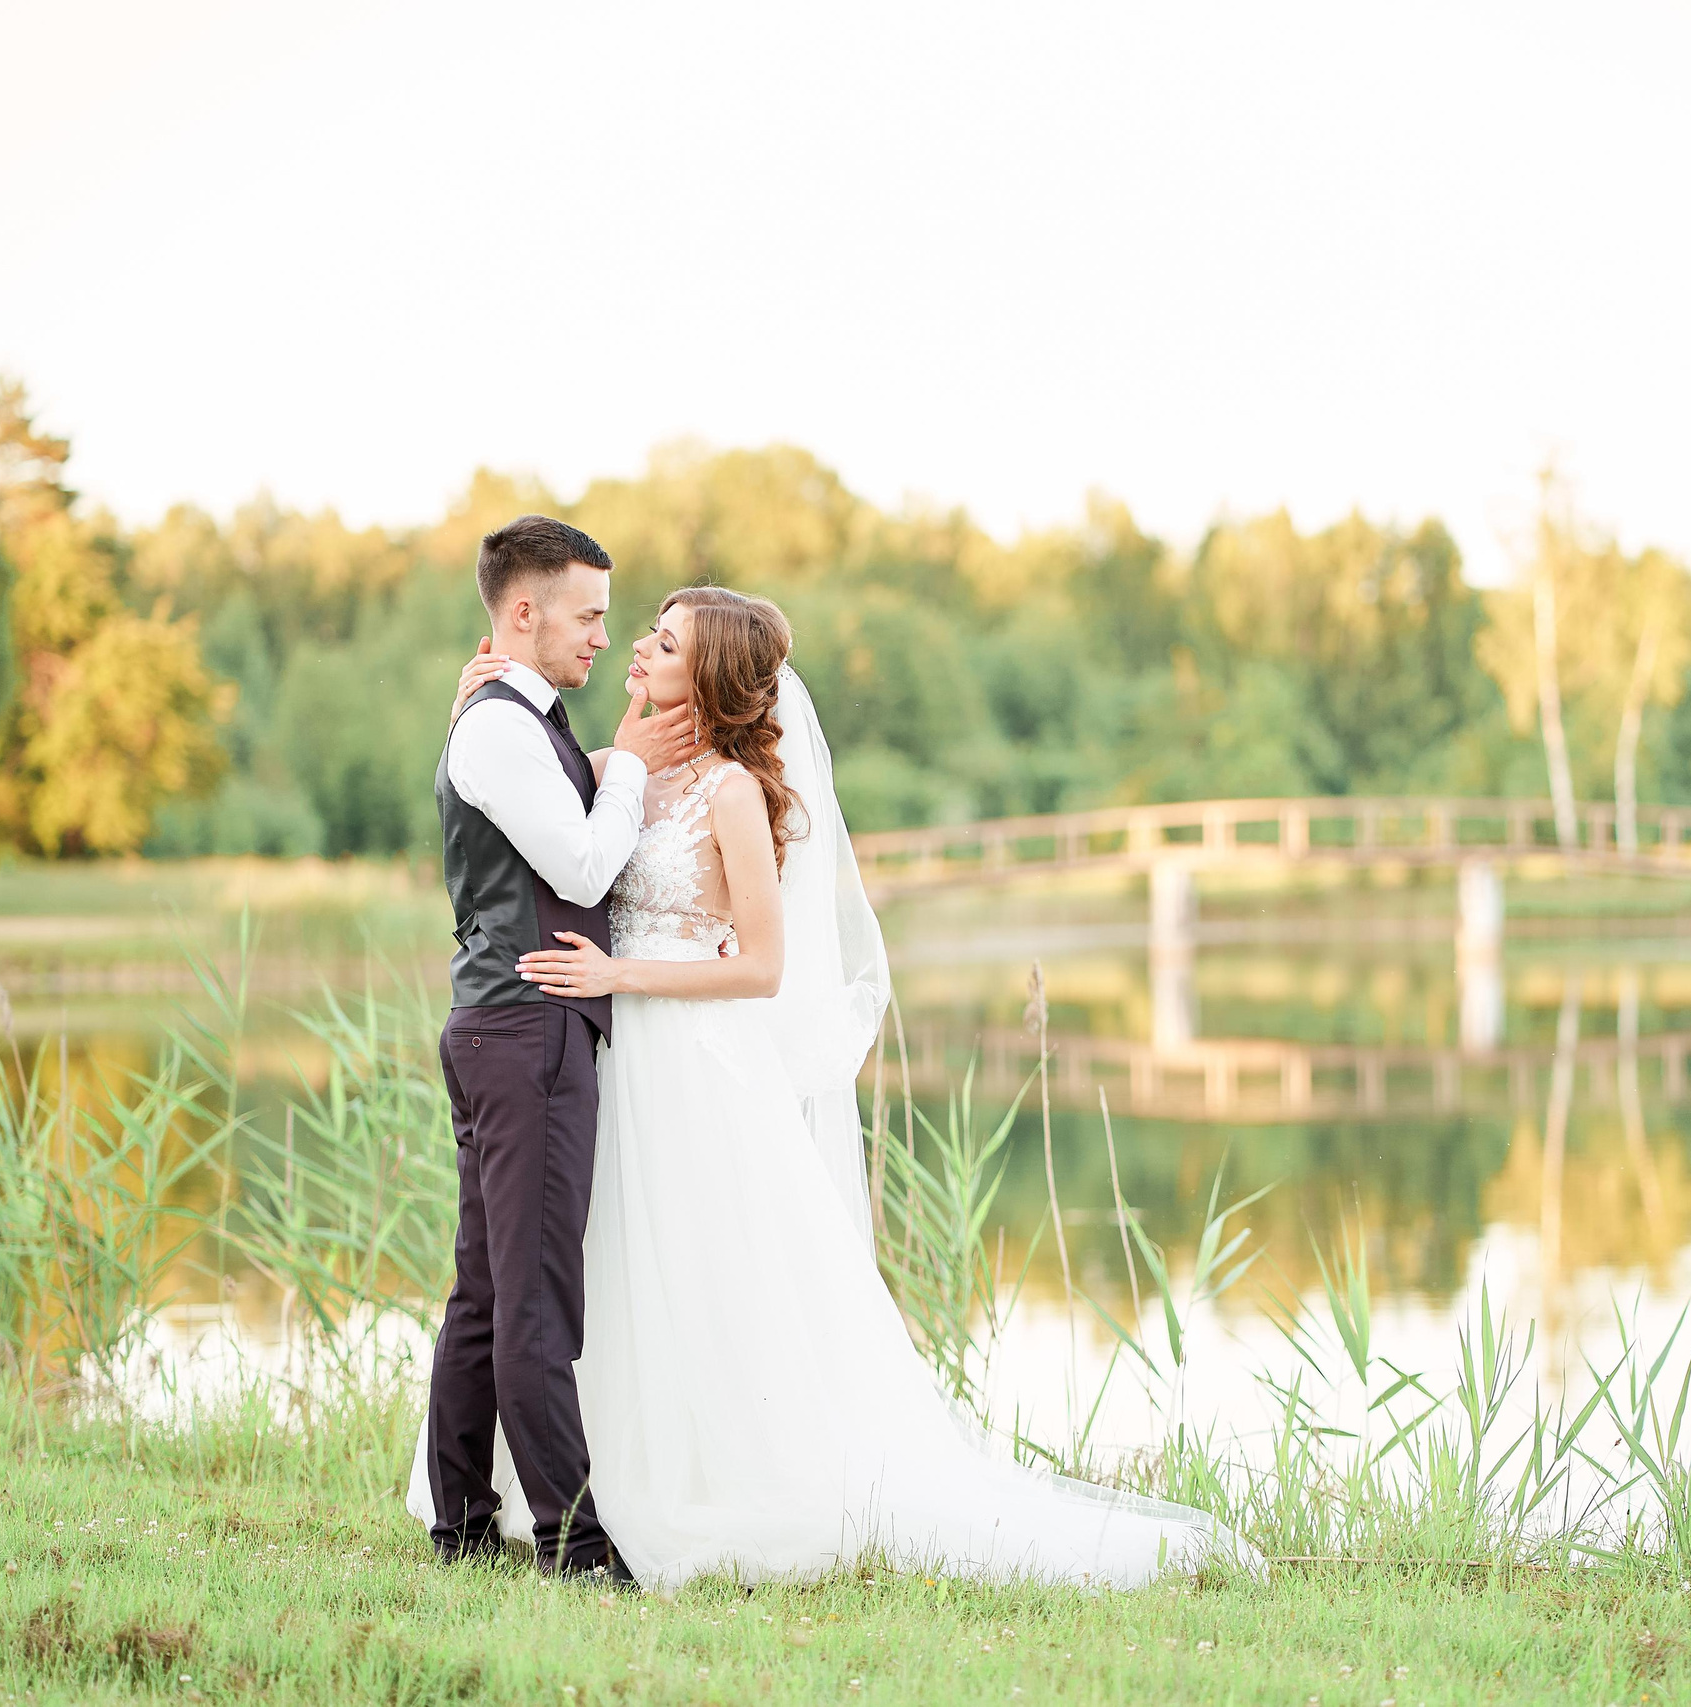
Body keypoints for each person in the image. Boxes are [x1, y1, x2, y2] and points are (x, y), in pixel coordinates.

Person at [408, 583, 1258, 1589]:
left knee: (707, 1273)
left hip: (692, 1058)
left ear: (709, 673)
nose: (636, 644)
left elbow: (760, 968)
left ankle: (716, 1486)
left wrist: (618, 975)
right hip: (614, 1060)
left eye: (664, 640)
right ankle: (593, 1491)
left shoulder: (733, 792)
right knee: (611, 1269)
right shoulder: (614, 769)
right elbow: (555, 828)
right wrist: (488, 696)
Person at [415, 516, 691, 1574]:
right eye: (587, 615)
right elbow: (578, 869)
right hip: (526, 1032)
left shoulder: (521, 720)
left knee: (489, 1292)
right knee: (531, 1297)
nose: (599, 636)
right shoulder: (496, 728)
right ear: (521, 612)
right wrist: (625, 768)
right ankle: (572, 1547)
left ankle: (465, 1527)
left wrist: (606, 748)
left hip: (512, 1025)